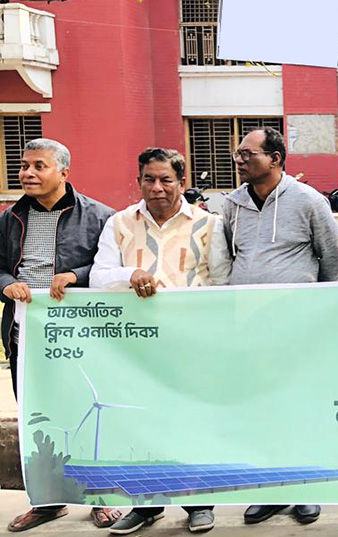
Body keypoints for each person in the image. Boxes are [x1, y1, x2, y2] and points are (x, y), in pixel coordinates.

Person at [88, 148, 226, 534]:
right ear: (138, 182)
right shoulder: (119, 223)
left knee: (191, 419)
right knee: (142, 421)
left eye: (166, 179)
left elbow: (222, 280)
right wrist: (130, 274)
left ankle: (199, 504)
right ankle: (146, 506)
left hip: (192, 343)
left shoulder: (209, 224)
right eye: (149, 179)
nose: (157, 187)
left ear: (181, 182)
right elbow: (98, 275)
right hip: (137, 346)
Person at [0, 139, 122, 532]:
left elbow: (111, 268)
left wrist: (76, 276)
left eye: (39, 166)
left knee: (87, 411)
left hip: (82, 335)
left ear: (64, 173)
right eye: (24, 166)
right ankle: (47, 500)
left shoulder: (100, 216)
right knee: (37, 417)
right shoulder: (10, 218)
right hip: (26, 335)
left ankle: (100, 497)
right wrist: (7, 284)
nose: (27, 173)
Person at [222, 128, 338, 525]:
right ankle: (272, 488)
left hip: (296, 324)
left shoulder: (309, 200)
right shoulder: (232, 204)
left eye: (248, 153)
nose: (240, 160)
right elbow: (230, 255)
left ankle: (306, 486)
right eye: (238, 154)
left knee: (299, 403)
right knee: (262, 406)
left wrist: (313, 312)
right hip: (248, 325)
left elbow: (332, 261)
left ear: (275, 158)